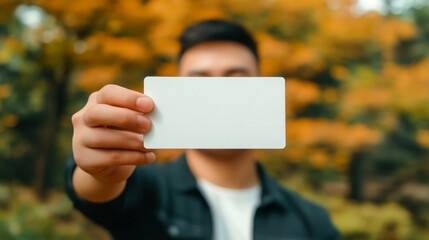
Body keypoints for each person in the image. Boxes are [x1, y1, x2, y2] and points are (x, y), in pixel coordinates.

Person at [66, 19, 341, 240]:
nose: (218, 94)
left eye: (235, 78)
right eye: (200, 81)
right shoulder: (147, 189)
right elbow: (97, 191)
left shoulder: (312, 221)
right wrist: (99, 169)